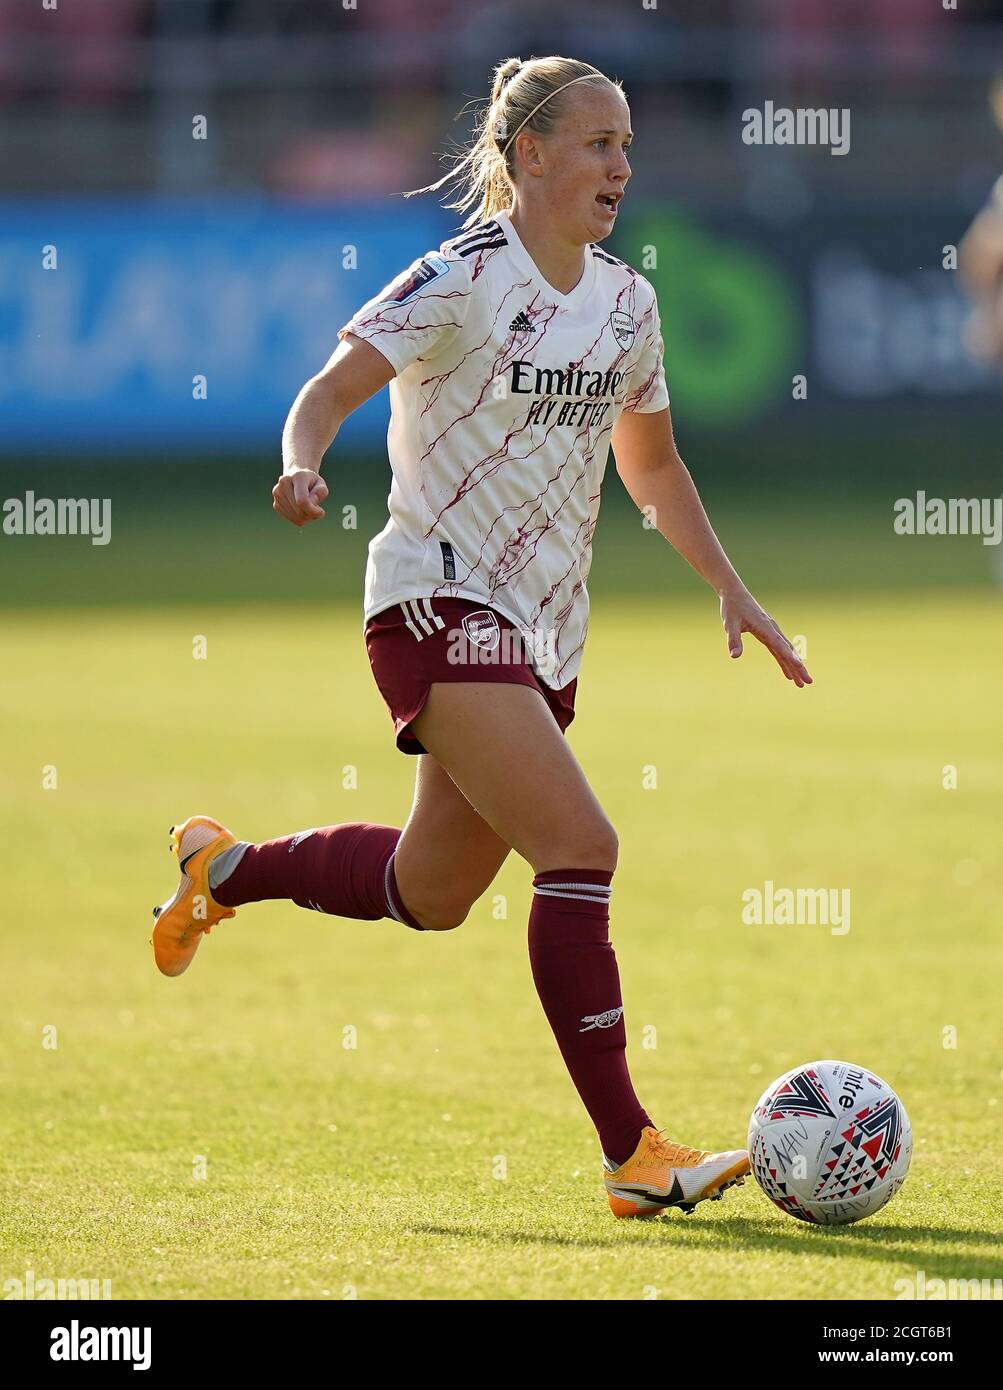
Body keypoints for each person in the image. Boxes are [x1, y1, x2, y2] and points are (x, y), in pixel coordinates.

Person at [151, 54, 811, 1219]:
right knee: (582, 847)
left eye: (627, 147)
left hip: (543, 635)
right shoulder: (459, 278)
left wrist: (733, 587)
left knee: (430, 889)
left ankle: (227, 869)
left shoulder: (628, 304)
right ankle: (633, 1151)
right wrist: (300, 461)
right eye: (598, 144)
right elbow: (327, 388)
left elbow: (649, 464)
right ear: (528, 158)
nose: (619, 167)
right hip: (434, 603)